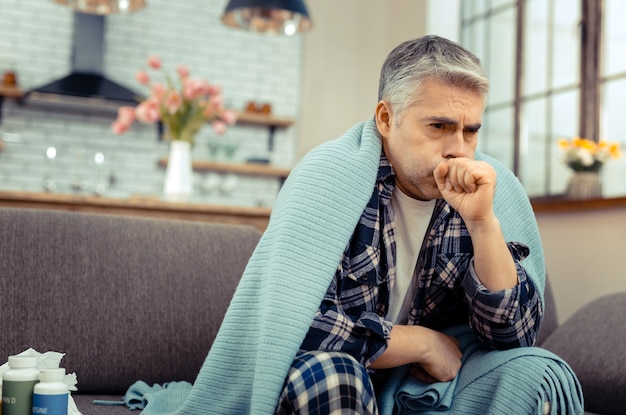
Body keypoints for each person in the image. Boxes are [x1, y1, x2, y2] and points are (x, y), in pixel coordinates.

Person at [172, 35, 583, 415]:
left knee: (538, 375)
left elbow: (515, 337)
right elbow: (297, 326)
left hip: (435, 388)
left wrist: (482, 223)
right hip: (343, 374)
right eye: (438, 126)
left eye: (470, 130)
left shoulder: (489, 189)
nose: (458, 148)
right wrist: (421, 344)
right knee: (333, 375)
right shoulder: (326, 177)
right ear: (386, 118)